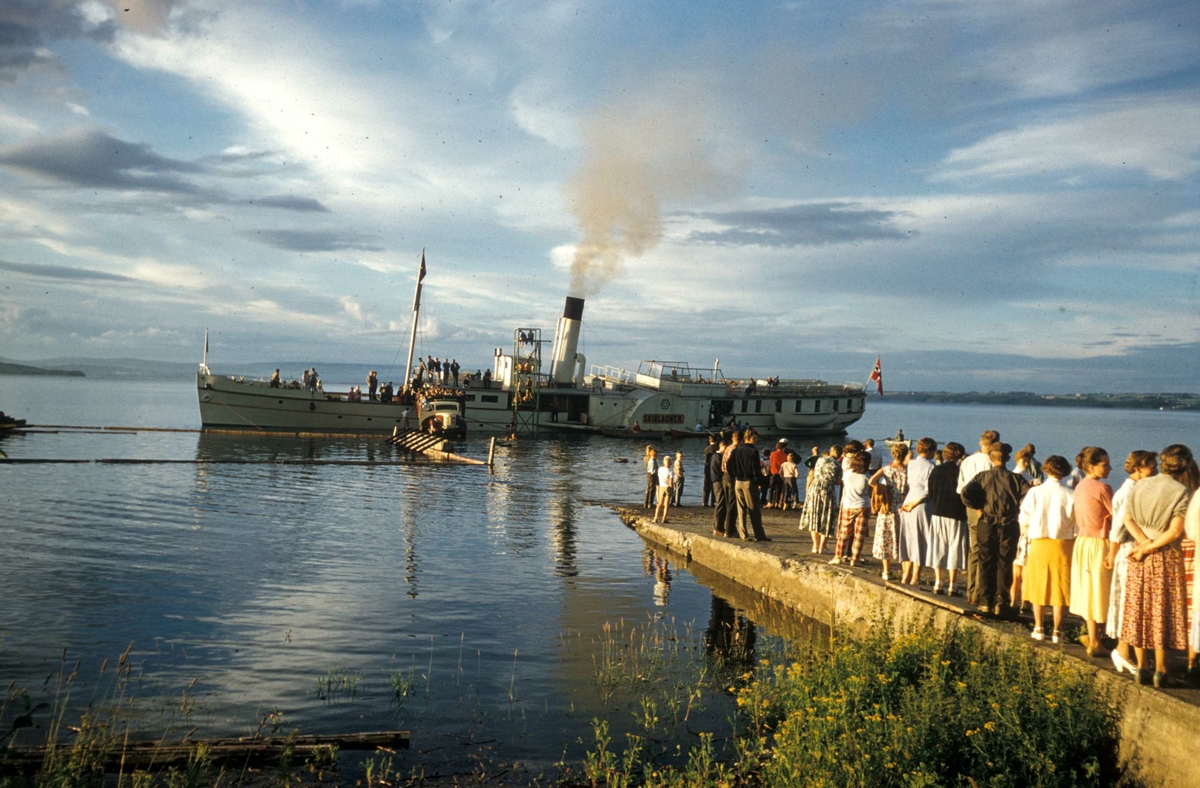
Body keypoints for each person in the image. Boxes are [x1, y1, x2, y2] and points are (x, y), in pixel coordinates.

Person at [1121, 444, 1194, 686]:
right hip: (1164, 556)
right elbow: (1174, 532)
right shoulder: (1182, 491)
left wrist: (1142, 544)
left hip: (1137, 554)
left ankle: (1142, 667)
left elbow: (1127, 519)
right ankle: (1161, 670)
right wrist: (1151, 547)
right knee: (1163, 611)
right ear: (1184, 465)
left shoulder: (1140, 484)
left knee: (1138, 609)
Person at [961, 442, 1029, 616]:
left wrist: (978, 507)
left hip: (986, 521)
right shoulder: (1016, 479)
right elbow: (1029, 497)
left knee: (986, 560)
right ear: (1007, 458)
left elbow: (965, 493)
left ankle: (985, 602)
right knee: (1005, 562)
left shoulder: (982, 477)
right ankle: (1002, 602)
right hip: (1008, 523)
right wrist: (1018, 511)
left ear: (991, 458)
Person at [1107, 450, 1157, 677]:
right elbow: (1118, 528)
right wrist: (1112, 553)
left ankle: (1124, 650)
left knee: (1128, 602)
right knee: (1129, 602)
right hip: (1129, 549)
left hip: (1130, 549)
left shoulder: (1133, 489)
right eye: (1151, 467)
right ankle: (1122, 650)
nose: (1155, 470)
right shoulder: (1130, 492)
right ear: (1138, 469)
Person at [1019, 455, 1076, 643]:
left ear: (1046, 469)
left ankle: (1039, 626)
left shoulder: (1035, 492)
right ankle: (1058, 631)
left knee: (1038, 584)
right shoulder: (1071, 494)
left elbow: (1024, 517)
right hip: (1063, 543)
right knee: (1061, 587)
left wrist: (1029, 530)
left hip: (1039, 542)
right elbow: (1077, 524)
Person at [1071, 447, 1115, 657]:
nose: (1109, 468)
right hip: (1100, 541)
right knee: (1101, 589)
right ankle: (1096, 639)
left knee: (1089, 591)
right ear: (1092, 466)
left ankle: (1093, 636)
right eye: (1105, 464)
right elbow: (1117, 515)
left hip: (1083, 541)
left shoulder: (1080, 486)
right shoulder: (1102, 487)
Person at [959, 430, 1000, 605]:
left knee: (974, 549)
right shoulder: (991, 464)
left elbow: (961, 488)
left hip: (969, 506)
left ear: (980, 442)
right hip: (986, 509)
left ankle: (971, 591)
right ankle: (980, 593)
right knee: (987, 550)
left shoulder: (968, 461)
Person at [927, 442, 969, 596]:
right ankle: (953, 584)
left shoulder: (936, 470)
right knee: (955, 547)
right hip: (957, 513)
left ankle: (938, 582)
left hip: (938, 511)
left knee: (938, 546)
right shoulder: (960, 471)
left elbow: (931, 492)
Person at [897, 437, 936, 586]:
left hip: (909, 498)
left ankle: (905, 575)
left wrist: (910, 503)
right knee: (920, 539)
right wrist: (914, 504)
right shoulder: (931, 467)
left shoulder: (911, 464)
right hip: (920, 503)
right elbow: (928, 490)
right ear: (931, 450)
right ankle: (915, 577)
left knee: (908, 537)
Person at [870, 442, 909, 582]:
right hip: (904, 507)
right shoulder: (908, 470)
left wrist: (882, 489)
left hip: (888, 507)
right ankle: (905, 573)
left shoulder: (886, 469)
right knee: (904, 540)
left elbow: (871, 481)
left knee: (885, 539)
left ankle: (886, 571)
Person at [831, 451, 872, 566]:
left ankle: (838, 556)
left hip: (849, 505)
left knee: (844, 533)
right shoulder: (867, 477)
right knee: (859, 535)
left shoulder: (847, 474)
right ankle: (855, 558)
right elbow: (870, 493)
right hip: (863, 505)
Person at [729, 429, 769, 542]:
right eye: (755, 438)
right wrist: (760, 482)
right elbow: (755, 469)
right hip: (749, 482)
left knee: (741, 509)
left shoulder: (735, 451)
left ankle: (744, 534)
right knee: (754, 509)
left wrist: (734, 476)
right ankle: (759, 534)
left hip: (738, 482)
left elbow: (729, 466)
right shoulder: (753, 451)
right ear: (752, 438)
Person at [800, 446, 840, 554]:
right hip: (827, 490)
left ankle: (815, 545)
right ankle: (822, 547)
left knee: (814, 516)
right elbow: (838, 481)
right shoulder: (837, 465)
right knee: (826, 518)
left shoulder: (819, 460)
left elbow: (812, 471)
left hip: (815, 488)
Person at [721, 431, 741, 538]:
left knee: (727, 502)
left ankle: (726, 528)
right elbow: (731, 464)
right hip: (731, 476)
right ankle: (729, 530)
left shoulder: (728, 448)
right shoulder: (735, 450)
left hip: (724, 476)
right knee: (732, 504)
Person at [710, 437, 730, 537]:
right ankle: (718, 528)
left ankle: (719, 527)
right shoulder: (718, 457)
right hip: (719, 482)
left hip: (716, 481)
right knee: (721, 504)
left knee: (721, 504)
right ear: (722, 446)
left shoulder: (714, 456)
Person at [766, 439, 788, 508]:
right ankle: (777, 502)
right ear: (783, 448)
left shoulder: (772, 454)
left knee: (771, 488)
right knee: (778, 488)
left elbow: (770, 462)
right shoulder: (785, 455)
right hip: (781, 473)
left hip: (773, 472)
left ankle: (770, 502)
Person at [653, 456, 674, 524]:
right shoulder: (670, 471)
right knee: (666, 504)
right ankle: (664, 518)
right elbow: (671, 482)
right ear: (670, 463)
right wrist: (672, 489)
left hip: (661, 486)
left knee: (660, 503)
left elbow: (658, 478)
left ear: (663, 462)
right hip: (668, 487)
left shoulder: (660, 469)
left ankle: (655, 518)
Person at [702, 435, 718, 507]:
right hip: (714, 469)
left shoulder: (706, 449)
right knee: (713, 486)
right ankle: (712, 502)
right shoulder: (716, 448)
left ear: (709, 440)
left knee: (706, 486)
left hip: (706, 469)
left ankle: (704, 501)